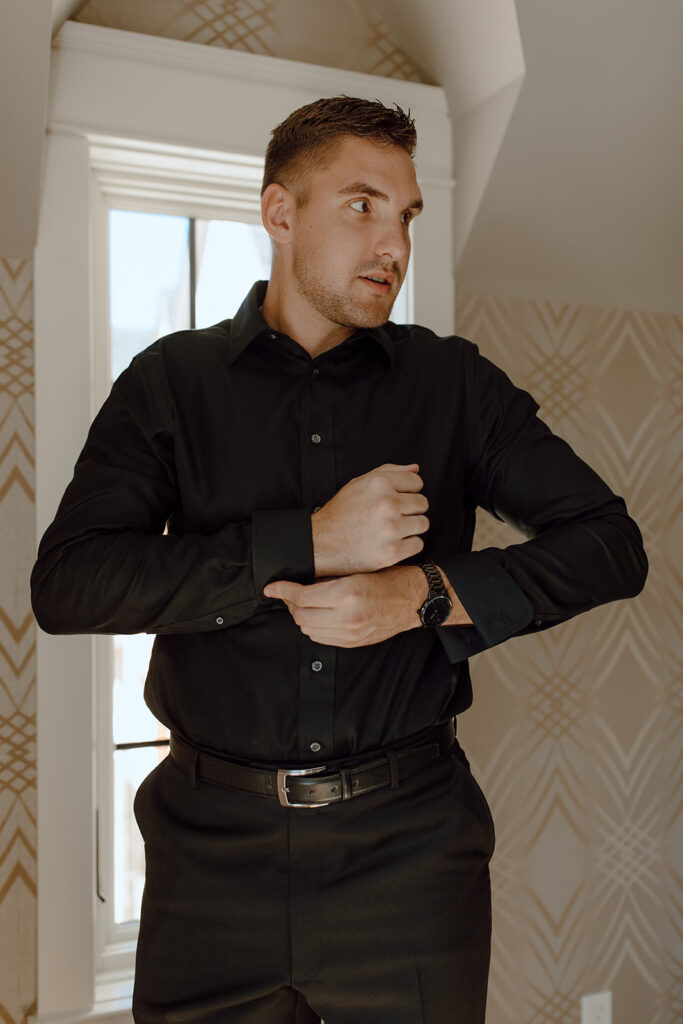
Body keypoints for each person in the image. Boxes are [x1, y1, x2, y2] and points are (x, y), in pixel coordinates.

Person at [31, 96, 648, 1024]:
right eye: (362, 205)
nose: (392, 244)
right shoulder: (170, 383)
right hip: (208, 865)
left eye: (404, 215)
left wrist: (424, 594)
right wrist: (307, 541)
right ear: (280, 213)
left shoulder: (455, 386)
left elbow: (611, 545)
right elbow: (69, 584)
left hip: (411, 858)